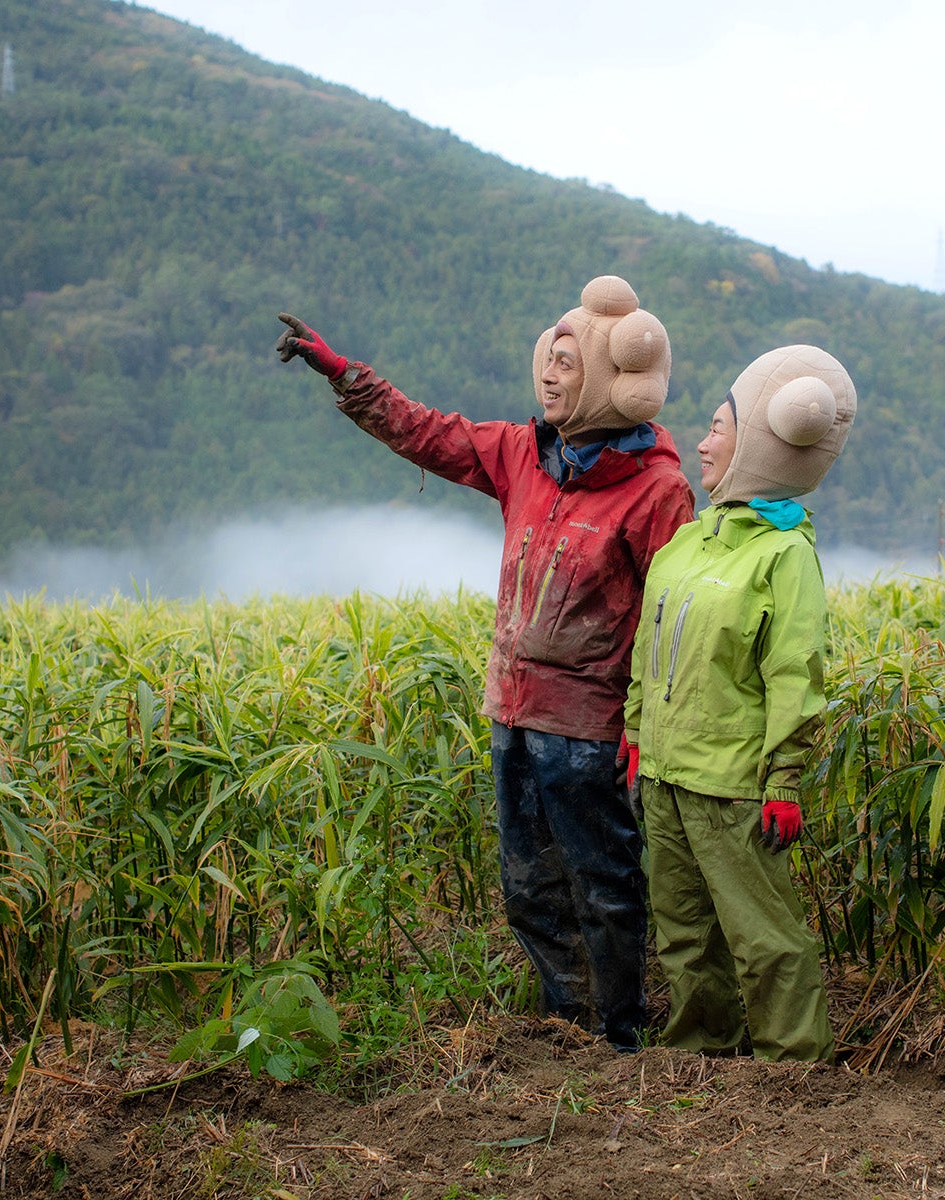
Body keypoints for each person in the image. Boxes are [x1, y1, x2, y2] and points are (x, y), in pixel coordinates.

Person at [275, 277, 696, 1051]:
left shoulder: (658, 490)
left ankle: (620, 1028)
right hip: (512, 710)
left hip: (591, 726)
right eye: (550, 356)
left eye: (569, 363)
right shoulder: (522, 455)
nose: (550, 374)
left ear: (608, 379)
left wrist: (645, 726)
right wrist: (344, 374)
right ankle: (563, 1016)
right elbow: (426, 432)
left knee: (604, 879)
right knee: (529, 882)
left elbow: (670, 624)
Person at [624, 344, 857, 1063]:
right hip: (664, 773)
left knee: (762, 935)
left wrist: (784, 777)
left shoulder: (783, 556)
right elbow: (647, 648)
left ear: (755, 441)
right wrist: (635, 736)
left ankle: (794, 1062)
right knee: (683, 931)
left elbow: (796, 672)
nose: (701, 440)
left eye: (718, 427)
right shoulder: (687, 545)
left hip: (731, 785)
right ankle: (701, 1047)